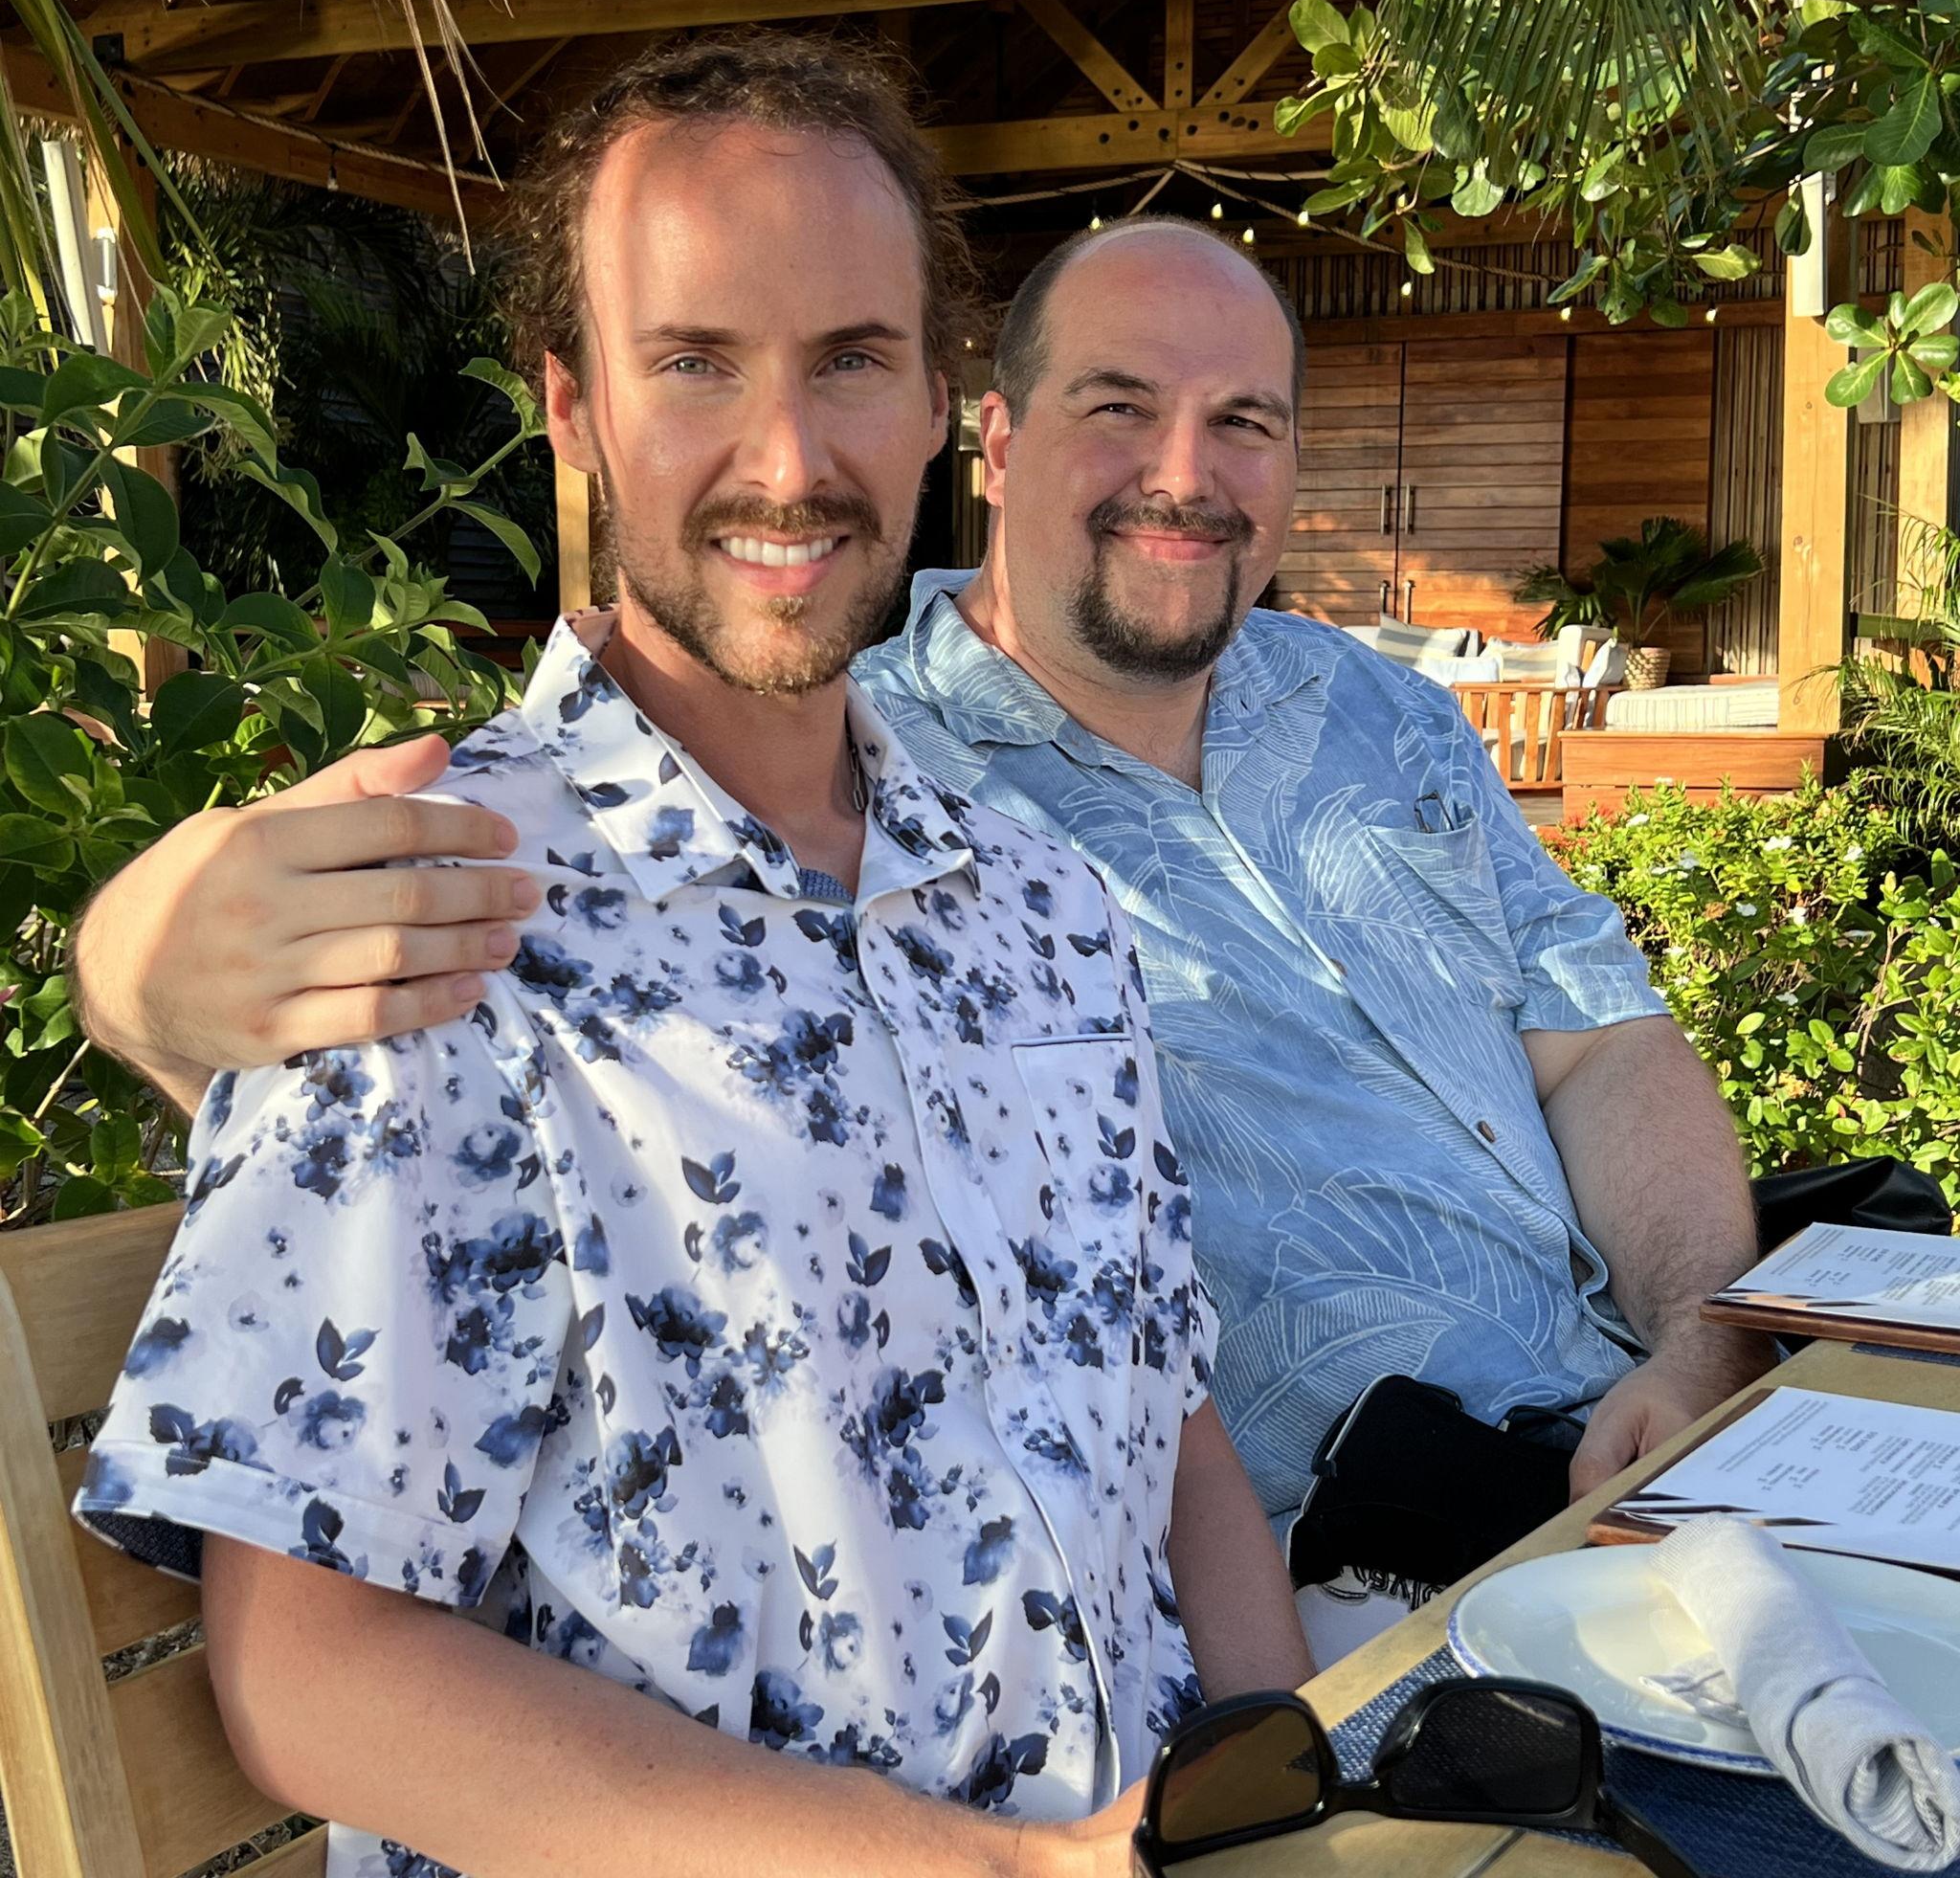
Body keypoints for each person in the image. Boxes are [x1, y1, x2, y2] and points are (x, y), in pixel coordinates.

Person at [75, 184, 1771, 1664]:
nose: (1185, 477)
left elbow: (1601, 1036)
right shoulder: (857, 782)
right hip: (1375, 1551)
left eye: (1243, 421)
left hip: (1644, 1447)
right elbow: (580, 1005)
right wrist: (132, 967)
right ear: (998, 437)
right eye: (1119, 407)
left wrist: (1702, 1341)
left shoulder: (1376, 713)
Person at [72, 37, 1312, 1878]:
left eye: (851, 362)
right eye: (695, 363)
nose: (790, 461)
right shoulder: (434, 915)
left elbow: (1167, 1409)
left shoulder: (1040, 903)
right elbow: (314, 1677)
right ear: (573, 409)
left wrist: (1296, 1790)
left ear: (935, 403)